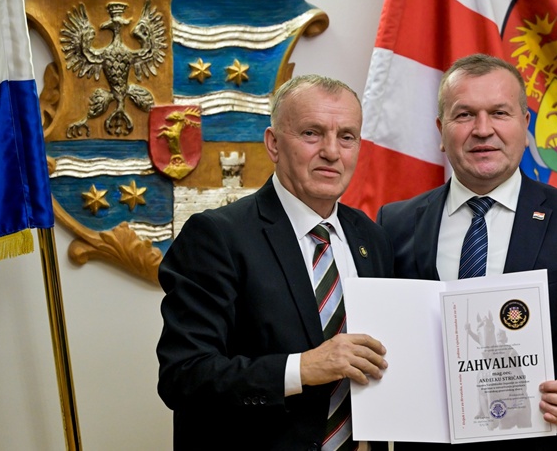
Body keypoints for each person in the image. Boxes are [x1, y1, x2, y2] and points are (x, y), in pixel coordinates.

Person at [376, 54, 557, 450]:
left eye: (499, 113)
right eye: (464, 115)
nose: (483, 129)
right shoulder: (394, 223)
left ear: (525, 124)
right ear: (441, 130)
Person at [157, 75, 393, 450]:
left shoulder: (372, 238)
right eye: (312, 133)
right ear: (273, 144)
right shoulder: (217, 236)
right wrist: (302, 368)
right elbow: (183, 376)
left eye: (346, 136)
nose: (332, 151)